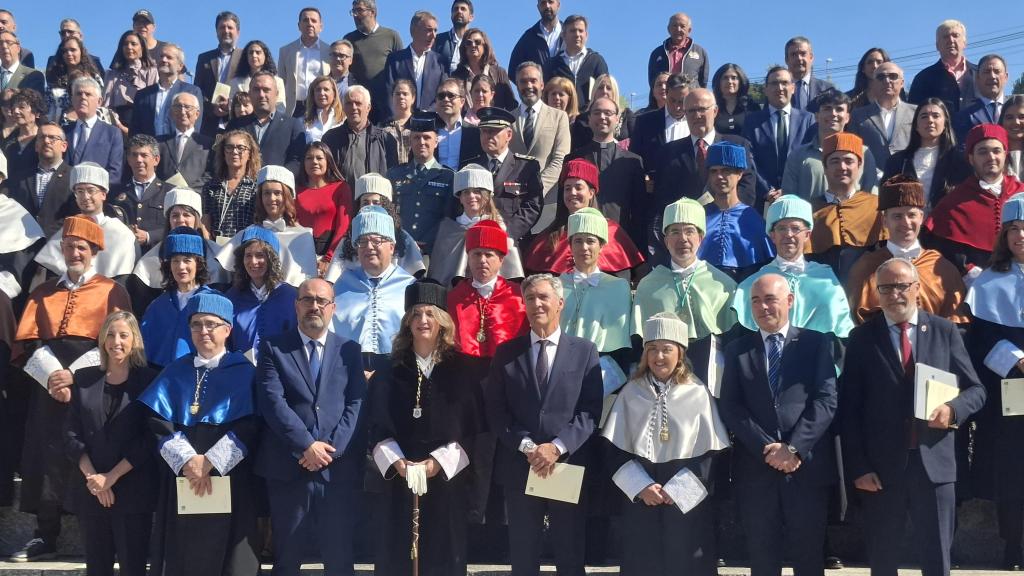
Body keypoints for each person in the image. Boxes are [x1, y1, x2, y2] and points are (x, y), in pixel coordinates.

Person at [841, 257, 985, 576]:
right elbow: (849, 411)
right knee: (882, 562)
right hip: (880, 471)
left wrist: (953, 410)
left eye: (902, 286)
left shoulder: (945, 331)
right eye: (886, 288)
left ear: (917, 288)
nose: (895, 294)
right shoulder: (862, 339)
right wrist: (859, 468)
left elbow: (976, 390)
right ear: (877, 293)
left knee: (937, 561)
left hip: (934, 467)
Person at [11, 216, 131, 562]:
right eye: (68, 246)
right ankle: (45, 535)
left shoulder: (112, 291)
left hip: (94, 382)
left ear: (94, 251)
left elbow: (119, 340)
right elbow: (28, 342)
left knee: (91, 450)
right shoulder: (43, 292)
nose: (74, 253)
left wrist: (74, 377)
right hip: (47, 384)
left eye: (81, 247)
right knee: (47, 454)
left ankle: (99, 537)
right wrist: (53, 377)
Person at [718, 273, 838, 576]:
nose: (763, 307)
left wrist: (794, 448)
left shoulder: (815, 343)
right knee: (762, 557)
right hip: (756, 469)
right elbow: (731, 406)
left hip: (805, 468)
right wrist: (767, 448)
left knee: (809, 557)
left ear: (789, 301)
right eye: (755, 301)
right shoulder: (737, 350)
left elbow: (826, 400)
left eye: (770, 299)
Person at [484, 272, 603, 576]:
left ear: (560, 303)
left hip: (565, 465)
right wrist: (528, 447)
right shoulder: (507, 353)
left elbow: (590, 411)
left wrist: (556, 448)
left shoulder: (584, 351)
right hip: (520, 464)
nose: (536, 303)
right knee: (524, 553)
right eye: (530, 298)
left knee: (569, 551)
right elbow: (496, 410)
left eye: (543, 297)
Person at [138, 292, 260, 576]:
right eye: (196, 324)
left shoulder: (245, 372)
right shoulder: (175, 371)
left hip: (231, 478)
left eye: (210, 324)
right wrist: (188, 461)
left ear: (227, 329)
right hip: (183, 478)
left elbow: (252, 424)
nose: (203, 331)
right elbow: (157, 421)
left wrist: (211, 462)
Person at [602, 312, 731, 576]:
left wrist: (678, 490)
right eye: (652, 349)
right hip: (642, 498)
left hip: (685, 500)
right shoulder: (631, 392)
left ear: (680, 353)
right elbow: (613, 450)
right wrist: (641, 486)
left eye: (666, 349)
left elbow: (711, 454)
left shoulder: (697, 393)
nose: (658, 357)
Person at [369, 280, 483, 576]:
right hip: (400, 479)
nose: (423, 320)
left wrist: (437, 463)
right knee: (396, 552)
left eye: (430, 314)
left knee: (444, 552)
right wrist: (399, 463)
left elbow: (473, 430)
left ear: (442, 321)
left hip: (446, 480)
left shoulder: (464, 370)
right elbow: (376, 425)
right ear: (407, 322)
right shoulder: (389, 370)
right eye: (416, 314)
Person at [255, 277, 365, 576]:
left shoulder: (350, 350)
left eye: (321, 300)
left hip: (336, 470)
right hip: (288, 468)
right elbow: (272, 402)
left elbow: (356, 403)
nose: (314, 306)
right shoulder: (273, 348)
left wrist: (330, 450)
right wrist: (306, 445)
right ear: (296, 306)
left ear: (333, 307)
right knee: (287, 559)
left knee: (339, 559)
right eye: (307, 300)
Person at [62, 311, 157, 576]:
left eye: (124, 335)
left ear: (135, 340)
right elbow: (70, 434)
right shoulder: (84, 379)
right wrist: (95, 479)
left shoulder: (149, 381)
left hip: (133, 491)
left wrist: (111, 477)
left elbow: (150, 438)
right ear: (102, 340)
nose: (117, 341)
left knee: (133, 567)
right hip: (91, 490)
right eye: (111, 335)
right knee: (97, 568)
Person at [964, 195, 1024, 568]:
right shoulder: (988, 282)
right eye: (1014, 229)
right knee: (1014, 468)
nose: (1020, 236)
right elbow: (982, 338)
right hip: (1013, 387)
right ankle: (1013, 545)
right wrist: (1017, 359)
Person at [846, 175, 966, 324]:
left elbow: (956, 326)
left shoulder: (942, 269)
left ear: (921, 218)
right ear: (884, 221)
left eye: (911, 215)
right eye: (897, 216)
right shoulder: (865, 268)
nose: (906, 223)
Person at [733, 195, 855, 338]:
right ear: (772, 235)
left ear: (807, 235)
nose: (788, 234)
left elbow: (840, 333)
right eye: (782, 228)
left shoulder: (827, 280)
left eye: (795, 228)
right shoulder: (752, 284)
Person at [925, 123, 1024, 275]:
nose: (991, 157)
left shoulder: (1021, 193)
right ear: (971, 158)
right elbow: (945, 250)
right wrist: (971, 273)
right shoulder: (953, 202)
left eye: (996, 151)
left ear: (1005, 154)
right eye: (982, 152)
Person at [634, 197, 738, 342]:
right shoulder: (648, 285)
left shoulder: (723, 285)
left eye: (689, 231)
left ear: (700, 238)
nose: (683, 239)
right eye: (675, 232)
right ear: (666, 241)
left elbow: (732, 338)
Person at [524, 158, 644, 279]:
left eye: (578, 187)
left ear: (591, 193)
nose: (572, 192)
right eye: (567, 188)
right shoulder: (549, 236)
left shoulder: (611, 231)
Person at [651, 87, 758, 224]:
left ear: (715, 111)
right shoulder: (668, 152)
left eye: (702, 109)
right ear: (685, 114)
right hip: (687, 228)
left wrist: (724, 217)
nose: (697, 115)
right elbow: (663, 197)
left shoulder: (737, 145)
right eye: (691, 111)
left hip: (730, 223)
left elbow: (747, 189)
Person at [333, 204, 416, 372]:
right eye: (362, 242)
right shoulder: (342, 284)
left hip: (397, 369)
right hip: (350, 367)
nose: (369, 247)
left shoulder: (410, 285)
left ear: (391, 247)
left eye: (376, 240)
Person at [557, 207, 633, 377]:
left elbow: (621, 340)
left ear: (602, 246)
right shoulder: (557, 285)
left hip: (602, 369)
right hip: (561, 366)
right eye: (578, 241)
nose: (584, 247)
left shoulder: (618, 287)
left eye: (590, 241)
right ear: (570, 246)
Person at [33, 162, 139, 282]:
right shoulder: (66, 231)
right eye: (80, 191)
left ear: (103, 194)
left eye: (91, 190)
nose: (85, 197)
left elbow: (121, 282)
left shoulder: (120, 233)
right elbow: (53, 278)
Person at [215, 165, 318, 287]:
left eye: (277, 193)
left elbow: (308, 280)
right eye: (266, 193)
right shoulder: (248, 233)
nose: (271, 198)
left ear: (287, 196)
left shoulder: (303, 236)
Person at [565, 95, 646, 249]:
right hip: (581, 243)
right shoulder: (573, 159)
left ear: (617, 119)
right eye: (597, 113)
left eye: (608, 113)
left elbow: (639, 212)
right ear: (589, 119)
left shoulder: (633, 161)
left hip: (620, 243)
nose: (602, 117)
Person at [130, 188, 229, 312]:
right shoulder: (148, 262)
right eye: (175, 215)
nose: (181, 220)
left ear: (196, 219)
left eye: (187, 215)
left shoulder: (218, 255)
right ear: (169, 220)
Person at [808, 132, 887, 281]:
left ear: (859, 166)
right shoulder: (808, 209)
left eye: (849, 161)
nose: (842, 167)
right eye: (835, 161)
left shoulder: (876, 207)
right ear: (825, 168)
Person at [428, 165, 524, 286]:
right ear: (460, 198)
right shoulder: (448, 229)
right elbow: (439, 271)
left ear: (487, 196)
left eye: (477, 191)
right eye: (466, 192)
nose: (471, 196)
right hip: (453, 293)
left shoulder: (499, 228)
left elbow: (510, 273)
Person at [140, 228, 221, 368]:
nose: (181, 267)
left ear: (198, 264)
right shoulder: (157, 306)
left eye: (187, 260)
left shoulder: (213, 301)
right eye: (175, 261)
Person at [462, 106, 544, 243]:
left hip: (512, 241)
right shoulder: (469, 167)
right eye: (484, 131)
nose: (487, 136)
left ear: (509, 135)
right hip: (476, 240)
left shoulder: (526, 167)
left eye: (493, 131)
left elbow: (533, 205)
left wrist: (506, 233)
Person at [325, 173, 426, 281]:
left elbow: (415, 273)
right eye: (365, 203)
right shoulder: (348, 238)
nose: (370, 207)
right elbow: (333, 278)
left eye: (376, 203)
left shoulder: (403, 237)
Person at [781, 89, 878, 201]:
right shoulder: (798, 155)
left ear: (847, 118)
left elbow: (872, 198)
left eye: (839, 109)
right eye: (827, 109)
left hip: (855, 212)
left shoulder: (863, 153)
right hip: (810, 213)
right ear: (817, 116)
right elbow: (788, 198)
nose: (833, 114)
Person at [700, 141, 775, 281]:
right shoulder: (699, 217)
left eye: (726, 170)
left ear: (739, 174)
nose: (719, 176)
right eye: (714, 171)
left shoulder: (753, 220)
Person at [223, 225, 298, 362]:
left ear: (272, 259)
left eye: (260, 255)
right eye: (248, 255)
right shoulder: (232, 297)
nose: (253, 261)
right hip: (241, 369)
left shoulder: (291, 297)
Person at [743, 66, 814, 211]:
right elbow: (749, 159)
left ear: (793, 88)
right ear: (765, 89)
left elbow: (810, 157)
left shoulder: (808, 119)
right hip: (764, 200)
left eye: (784, 83)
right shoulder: (752, 121)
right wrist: (767, 189)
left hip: (799, 198)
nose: (780, 88)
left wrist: (788, 190)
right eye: (774, 83)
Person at [882, 98, 971, 212]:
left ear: (945, 123)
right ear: (916, 125)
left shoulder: (959, 160)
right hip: (908, 221)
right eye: (924, 116)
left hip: (945, 220)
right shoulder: (897, 161)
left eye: (936, 116)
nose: (930, 120)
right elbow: (886, 201)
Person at [387, 111, 455, 258]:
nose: (421, 142)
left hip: (434, 252)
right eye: (416, 137)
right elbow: (389, 213)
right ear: (410, 141)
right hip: (400, 250)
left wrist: (427, 243)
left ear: (436, 142)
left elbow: (449, 219)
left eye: (427, 137)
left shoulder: (448, 177)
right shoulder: (394, 174)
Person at [511, 61, 570, 205]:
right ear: (517, 85)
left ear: (542, 84)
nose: (528, 86)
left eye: (533, 80)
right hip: (512, 199)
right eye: (523, 81)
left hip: (546, 199)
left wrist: (536, 189)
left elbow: (560, 159)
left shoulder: (559, 117)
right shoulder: (508, 119)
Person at [8, 120, 78, 236]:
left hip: (58, 243)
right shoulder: (20, 178)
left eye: (52, 138)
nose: (46, 141)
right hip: (24, 243)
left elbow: (76, 215)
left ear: (64, 146)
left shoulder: (75, 177)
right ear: (36, 146)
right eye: (41, 137)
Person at [225, 70, 304, 171]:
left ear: (276, 94)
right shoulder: (235, 125)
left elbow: (297, 161)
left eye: (266, 90)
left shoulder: (292, 125)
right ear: (249, 94)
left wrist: (278, 177)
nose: (261, 95)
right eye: (256, 90)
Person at [296, 141, 354, 275]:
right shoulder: (295, 190)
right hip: (301, 258)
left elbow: (343, 226)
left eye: (319, 158)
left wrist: (328, 258)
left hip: (333, 258)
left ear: (328, 161)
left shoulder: (341, 188)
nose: (314, 162)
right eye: (309, 158)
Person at [322, 84, 400, 184]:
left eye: (358, 103)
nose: (353, 107)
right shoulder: (330, 138)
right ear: (343, 107)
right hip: (341, 194)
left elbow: (394, 176)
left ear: (368, 107)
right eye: (349, 103)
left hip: (376, 194)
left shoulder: (385, 139)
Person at [111, 134, 177, 250]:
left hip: (156, 254)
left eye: (144, 155)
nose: (138, 160)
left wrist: (149, 236)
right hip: (123, 252)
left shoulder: (170, 192)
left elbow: (176, 226)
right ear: (128, 159)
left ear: (156, 160)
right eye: (134, 155)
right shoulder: (115, 191)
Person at [849, 62, 916, 171]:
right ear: (873, 84)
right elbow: (853, 152)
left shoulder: (917, 113)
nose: (887, 81)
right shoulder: (857, 115)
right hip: (871, 179)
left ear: (902, 83)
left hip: (909, 176)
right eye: (881, 77)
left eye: (893, 76)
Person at [343, 0, 404, 119]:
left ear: (372, 12)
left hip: (387, 105)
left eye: (359, 10)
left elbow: (401, 70)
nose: (355, 15)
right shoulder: (349, 39)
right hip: (360, 105)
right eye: (353, 11)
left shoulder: (391, 36)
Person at [382, 11, 447, 119]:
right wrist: (395, 119)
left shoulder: (440, 61)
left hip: (431, 122)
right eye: (428, 30)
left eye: (435, 30)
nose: (434, 35)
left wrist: (429, 113)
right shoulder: (395, 59)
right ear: (414, 31)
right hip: (401, 122)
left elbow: (443, 93)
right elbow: (388, 92)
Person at [130, 43, 204, 137]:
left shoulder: (191, 92)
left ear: (180, 66)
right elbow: (135, 129)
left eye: (169, 57)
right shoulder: (142, 95)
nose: (163, 60)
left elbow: (196, 126)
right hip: (149, 145)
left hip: (178, 144)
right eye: (161, 56)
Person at [630, 72, 692, 182]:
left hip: (689, 187)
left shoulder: (696, 121)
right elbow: (634, 158)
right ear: (666, 94)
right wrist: (643, 177)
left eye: (682, 102)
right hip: (655, 188)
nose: (677, 107)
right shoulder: (645, 122)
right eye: (672, 100)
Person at [201, 129, 260, 240]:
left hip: (246, 245)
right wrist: (209, 244)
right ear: (223, 153)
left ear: (250, 154)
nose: (234, 152)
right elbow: (206, 220)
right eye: (229, 147)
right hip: (216, 246)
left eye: (240, 148)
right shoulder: (211, 186)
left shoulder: (257, 186)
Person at [909, 20, 977, 114]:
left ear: (965, 43)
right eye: (945, 37)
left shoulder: (980, 74)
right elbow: (913, 114)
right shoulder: (923, 78)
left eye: (955, 35)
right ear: (937, 45)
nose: (951, 40)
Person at [65, 76, 124, 184]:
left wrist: (92, 191)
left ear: (99, 101)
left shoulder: (112, 133)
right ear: (72, 100)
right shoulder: (64, 132)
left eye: (88, 94)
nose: (83, 97)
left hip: (98, 192)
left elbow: (114, 173)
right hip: (65, 192)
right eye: (79, 94)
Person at [543, 15, 607, 111]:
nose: (577, 34)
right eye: (572, 31)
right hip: (560, 116)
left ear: (586, 35)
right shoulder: (552, 64)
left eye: (580, 31)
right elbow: (544, 94)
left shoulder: (596, 61)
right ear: (563, 35)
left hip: (588, 118)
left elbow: (606, 92)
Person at [193, 12, 242, 137]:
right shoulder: (204, 58)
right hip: (209, 126)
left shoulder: (245, 57)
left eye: (230, 27)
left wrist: (231, 105)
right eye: (222, 27)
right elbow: (197, 90)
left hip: (237, 123)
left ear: (238, 32)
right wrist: (211, 108)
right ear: (216, 32)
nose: (226, 31)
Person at [646, 12, 709, 108]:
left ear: (689, 30)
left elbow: (703, 82)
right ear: (668, 29)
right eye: (674, 25)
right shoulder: (657, 53)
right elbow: (652, 81)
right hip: (663, 104)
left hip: (690, 104)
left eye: (682, 26)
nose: (678, 29)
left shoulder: (700, 52)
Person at [277, 7, 330, 118]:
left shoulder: (329, 51)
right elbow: (280, 82)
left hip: (320, 107)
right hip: (293, 109)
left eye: (314, 21)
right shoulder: (285, 51)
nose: (310, 24)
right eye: (306, 20)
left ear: (321, 26)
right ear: (299, 25)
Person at [156, 92, 214, 190]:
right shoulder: (158, 142)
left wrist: (188, 190)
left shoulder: (208, 144)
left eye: (187, 107)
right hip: (163, 195)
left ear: (197, 114)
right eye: (178, 106)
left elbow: (211, 174)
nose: (182, 111)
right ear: (171, 112)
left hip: (194, 195)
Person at [102, 31, 157, 133]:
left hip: (143, 126)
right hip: (117, 127)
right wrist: (119, 125)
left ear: (142, 48)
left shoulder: (151, 71)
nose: (129, 47)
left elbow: (153, 103)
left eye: (133, 44)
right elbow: (106, 105)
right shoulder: (111, 75)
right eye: (125, 44)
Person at [450, 28, 517, 111]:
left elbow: (511, 105)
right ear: (464, 48)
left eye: (477, 42)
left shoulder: (499, 73)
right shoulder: (457, 76)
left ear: (485, 46)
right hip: (466, 118)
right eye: (468, 43)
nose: (473, 45)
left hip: (494, 118)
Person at [44, 36, 103, 123]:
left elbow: (100, 103)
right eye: (65, 51)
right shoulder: (54, 80)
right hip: (60, 126)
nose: (69, 53)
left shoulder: (94, 78)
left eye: (73, 50)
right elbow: (47, 110)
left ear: (81, 52)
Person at [953, 54, 1010, 144]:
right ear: (977, 78)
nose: (992, 76)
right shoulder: (964, 116)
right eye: (986, 72)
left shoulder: (1017, 110)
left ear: (1006, 77)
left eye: (997, 71)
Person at [433, 77, 483, 169]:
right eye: (441, 96)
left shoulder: (475, 133)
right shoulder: (428, 132)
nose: (446, 99)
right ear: (436, 101)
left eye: (451, 95)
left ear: (462, 101)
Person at [508, 0, 564, 75]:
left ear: (558, 5)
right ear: (538, 7)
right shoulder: (528, 38)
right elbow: (512, 70)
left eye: (550, 2)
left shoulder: (570, 34)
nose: (547, 6)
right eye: (543, 3)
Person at [228, 40, 287, 109]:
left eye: (258, 52)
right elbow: (232, 107)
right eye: (251, 53)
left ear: (265, 56)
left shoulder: (277, 81)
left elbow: (281, 108)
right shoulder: (235, 82)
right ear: (246, 57)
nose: (254, 55)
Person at [785, 36, 836, 112]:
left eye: (803, 53)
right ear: (786, 60)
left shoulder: (827, 89)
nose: (799, 58)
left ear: (811, 57)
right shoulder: (778, 90)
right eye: (794, 54)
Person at [3, 88, 44, 182]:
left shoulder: (45, 138)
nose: (16, 111)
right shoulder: (8, 141)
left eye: (21, 107)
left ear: (36, 112)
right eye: (13, 108)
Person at [712, 63, 760, 137]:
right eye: (725, 78)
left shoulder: (752, 107)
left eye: (734, 78)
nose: (730, 81)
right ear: (718, 82)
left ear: (740, 81)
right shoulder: (712, 108)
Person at [432, 0, 474, 73]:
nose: (459, 11)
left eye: (463, 9)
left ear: (471, 17)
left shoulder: (476, 43)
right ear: (451, 15)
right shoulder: (438, 40)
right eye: (456, 9)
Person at [380, 79, 415, 164]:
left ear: (413, 98)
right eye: (397, 94)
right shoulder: (382, 127)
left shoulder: (419, 125)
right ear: (392, 97)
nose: (401, 97)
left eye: (405, 94)